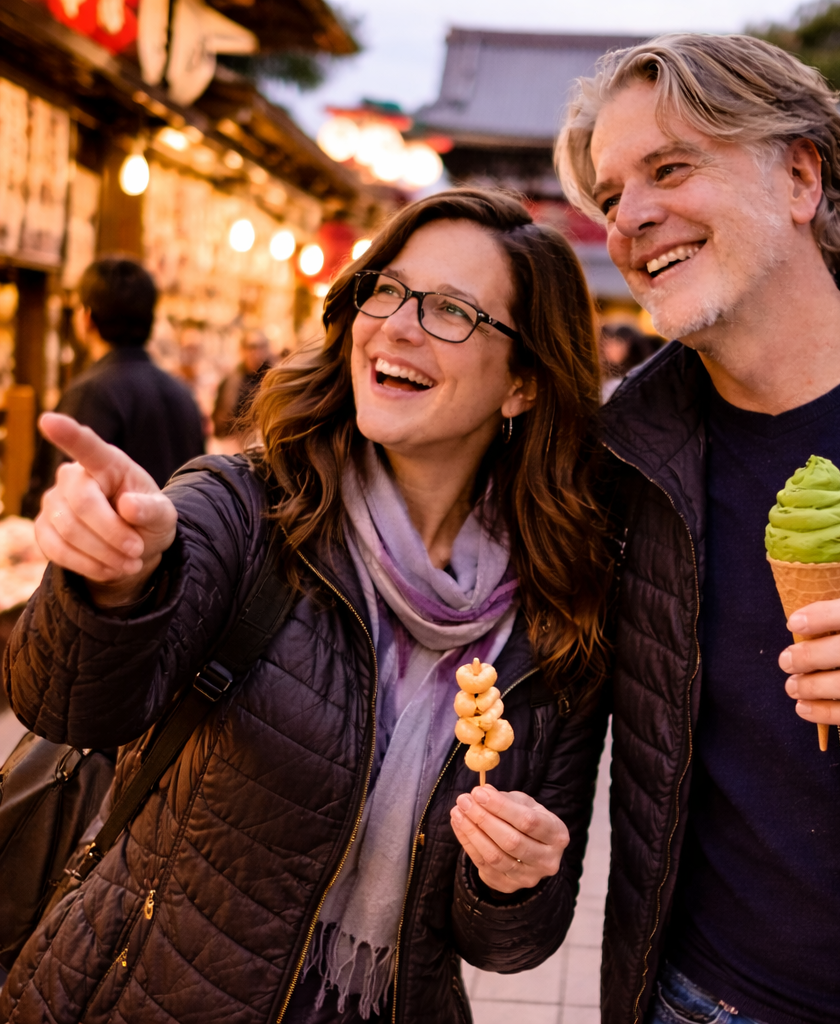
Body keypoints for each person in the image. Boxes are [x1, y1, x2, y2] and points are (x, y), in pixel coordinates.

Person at [1, 190, 611, 1023]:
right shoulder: (244, 510)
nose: (397, 327)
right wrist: (111, 589)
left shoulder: (556, 618)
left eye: (451, 311)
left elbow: (510, 944)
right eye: (386, 290)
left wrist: (514, 880)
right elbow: (64, 706)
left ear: (523, 385)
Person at [555, 33, 840, 1024]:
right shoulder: (623, 461)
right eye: (609, 196)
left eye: (669, 168)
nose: (628, 220)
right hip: (692, 1001)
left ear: (801, 177)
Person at [20, 258, 205, 519]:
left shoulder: (90, 393)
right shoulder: (183, 393)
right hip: (184, 537)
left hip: (117, 540)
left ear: (86, 318)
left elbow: (60, 497)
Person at [211, 327, 273, 441]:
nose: (257, 352)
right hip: (235, 442)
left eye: (262, 347)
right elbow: (219, 417)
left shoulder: (275, 380)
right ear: (242, 350)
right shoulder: (230, 382)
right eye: (252, 347)